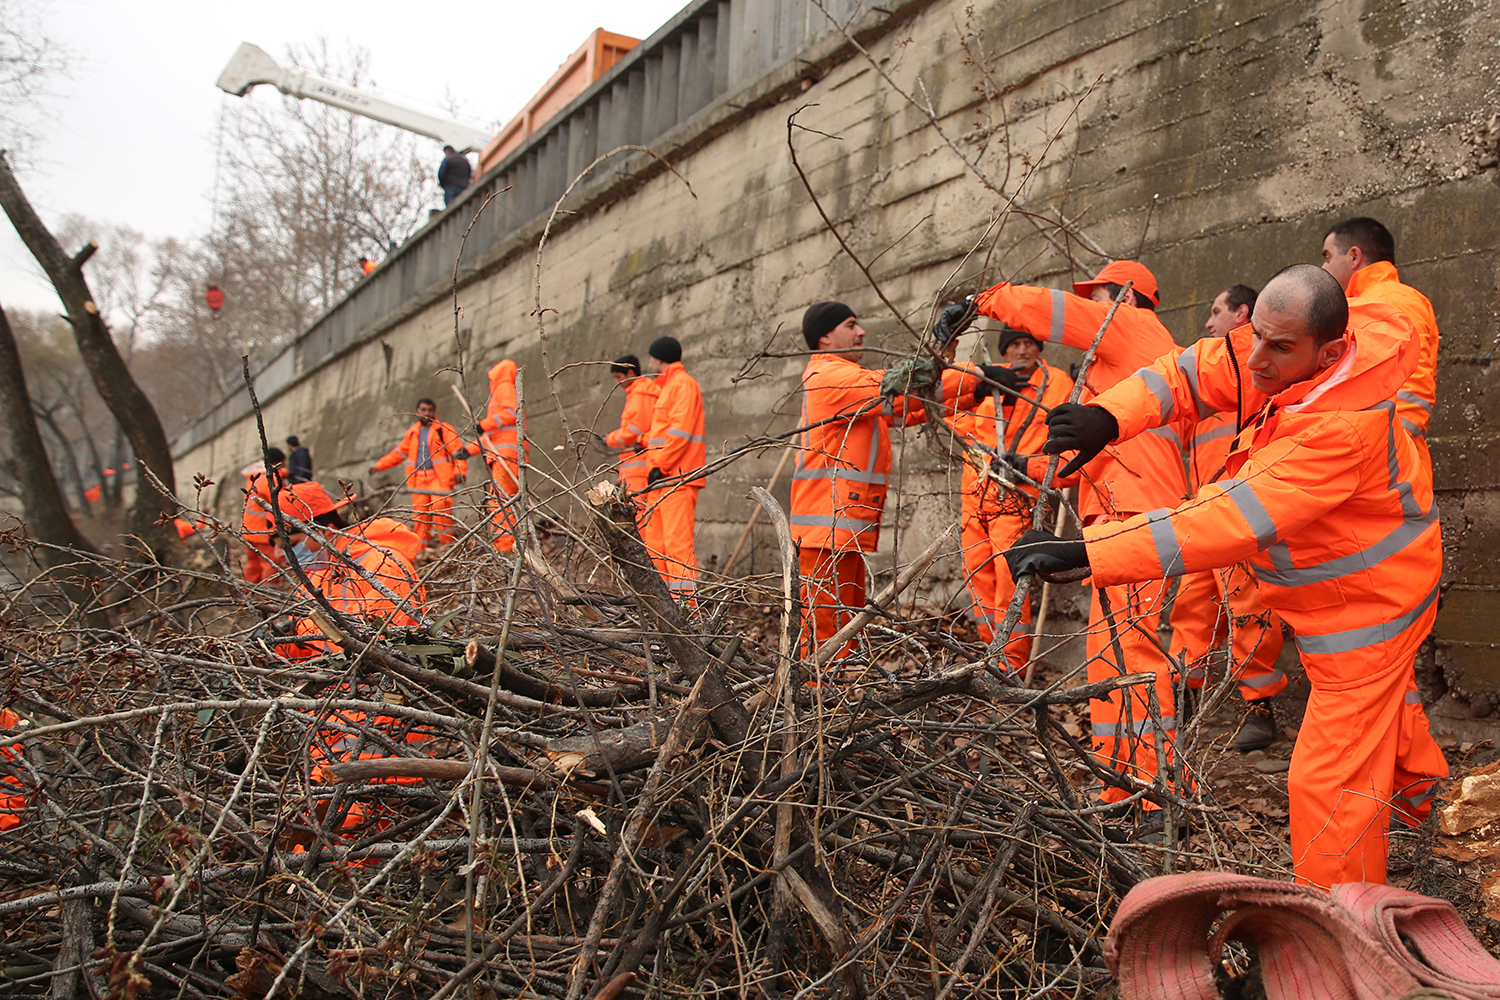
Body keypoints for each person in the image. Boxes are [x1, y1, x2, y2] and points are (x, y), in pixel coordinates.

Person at [1006, 264, 1447, 888]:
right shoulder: (1319, 338)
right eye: (1256, 336)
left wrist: (1091, 551)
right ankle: (1421, 802)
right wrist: (1111, 415)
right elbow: (1196, 369)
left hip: (1370, 606)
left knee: (1328, 779)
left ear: (1329, 352)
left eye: (1279, 347)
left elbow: (1230, 517)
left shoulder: (1340, 429)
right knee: (1382, 714)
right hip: (1346, 585)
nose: (1258, 358)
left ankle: (1337, 927)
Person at [949, 260, 1189, 818]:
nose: (1094, 306)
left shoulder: (1134, 328)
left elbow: (1049, 311)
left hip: (1137, 513)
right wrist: (1028, 464)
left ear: (1126, 298)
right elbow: (1089, 460)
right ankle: (1121, 786)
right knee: (1110, 660)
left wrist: (983, 301)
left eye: (1101, 296)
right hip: (1118, 516)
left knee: (1133, 655)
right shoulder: (1124, 367)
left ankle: (1155, 799)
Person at [792, 302, 986, 660]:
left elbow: (911, 403)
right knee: (824, 633)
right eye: (851, 325)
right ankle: (818, 704)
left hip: (839, 530)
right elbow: (902, 382)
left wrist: (978, 389)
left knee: (843, 628)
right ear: (824, 337)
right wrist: (965, 363)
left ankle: (837, 698)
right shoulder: (830, 377)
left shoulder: (850, 387)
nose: (861, 331)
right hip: (825, 531)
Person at [1170, 284, 1287, 751]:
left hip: (1241, 513)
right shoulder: (1206, 378)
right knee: (1191, 611)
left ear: (1243, 313)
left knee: (1248, 607)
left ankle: (1260, 707)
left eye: (1216, 311)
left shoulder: (1263, 375)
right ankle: (1184, 698)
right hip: (1201, 513)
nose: (1207, 321)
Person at [947, 324, 1073, 669]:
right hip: (975, 498)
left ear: (1038, 347)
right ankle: (989, 653)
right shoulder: (986, 385)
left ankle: (1010, 665)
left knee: (1010, 581)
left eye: (1028, 342)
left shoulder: (1057, 384)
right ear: (1004, 351)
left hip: (1018, 498)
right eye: (1015, 344)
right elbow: (953, 417)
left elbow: (1069, 439)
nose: (1022, 350)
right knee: (977, 576)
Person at [1321, 217, 1440, 477]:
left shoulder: (1387, 300)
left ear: (1354, 256)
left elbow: (1412, 384)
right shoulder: (1367, 303)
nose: (1323, 267)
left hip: (1387, 470)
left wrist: (1387, 451)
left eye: (1327, 256)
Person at [270, 481, 426, 659]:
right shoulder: (316, 575)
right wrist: (278, 642)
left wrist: (303, 632)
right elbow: (303, 652)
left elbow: (373, 644)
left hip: (373, 685)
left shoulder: (383, 566)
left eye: (291, 544)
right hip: (328, 683)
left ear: (325, 530)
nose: (281, 555)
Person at [642, 336, 705, 599]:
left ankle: (685, 611)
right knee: (656, 547)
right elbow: (663, 433)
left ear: (658, 358)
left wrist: (660, 465)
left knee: (677, 547)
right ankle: (663, 609)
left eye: (650, 357)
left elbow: (680, 432)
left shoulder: (681, 384)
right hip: (663, 478)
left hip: (675, 477)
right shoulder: (669, 387)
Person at [368, 399, 470, 548]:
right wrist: (379, 466)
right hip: (419, 480)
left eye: (430, 410)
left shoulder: (443, 429)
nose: (427, 413)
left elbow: (458, 451)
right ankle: (421, 549)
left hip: (439, 478)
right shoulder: (412, 433)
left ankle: (448, 547)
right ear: (417, 411)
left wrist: (460, 471)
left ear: (434, 412)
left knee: (441, 509)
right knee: (420, 515)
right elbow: (398, 454)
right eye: (423, 410)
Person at [603, 354, 663, 555]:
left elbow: (633, 432)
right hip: (637, 467)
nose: (616, 382)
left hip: (639, 468)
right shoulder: (642, 393)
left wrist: (609, 438)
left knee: (640, 519)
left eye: (619, 376)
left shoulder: (641, 394)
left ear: (631, 373)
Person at [466, 359, 527, 552]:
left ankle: (506, 547)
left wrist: (483, 424)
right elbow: (495, 436)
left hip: (506, 456)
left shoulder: (504, 388)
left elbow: (510, 414)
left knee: (501, 502)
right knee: (502, 500)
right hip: (504, 454)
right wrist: (469, 450)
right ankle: (506, 544)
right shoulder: (504, 391)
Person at [241, 448, 287, 584]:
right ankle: (268, 599)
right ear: (279, 462)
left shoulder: (256, 475)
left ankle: (245, 592)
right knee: (271, 563)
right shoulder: (271, 478)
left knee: (253, 563)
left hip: (248, 528)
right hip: (263, 531)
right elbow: (280, 503)